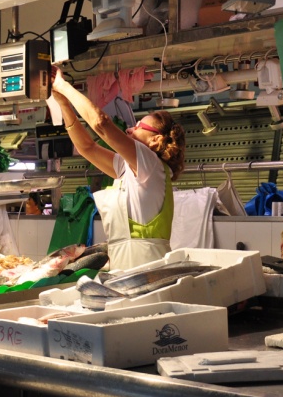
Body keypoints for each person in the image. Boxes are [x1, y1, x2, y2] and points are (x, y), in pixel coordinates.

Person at [49, 65, 185, 271]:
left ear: (156, 140)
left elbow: (101, 123)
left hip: (148, 270)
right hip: (123, 270)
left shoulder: (151, 164)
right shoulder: (127, 169)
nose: (131, 128)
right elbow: (87, 147)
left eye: (139, 126)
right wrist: (64, 105)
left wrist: (63, 85)